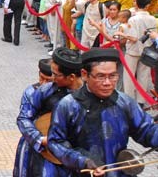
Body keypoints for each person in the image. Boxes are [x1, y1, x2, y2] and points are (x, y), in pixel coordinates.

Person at [47, 48, 158, 176]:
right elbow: (55, 142)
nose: (107, 83)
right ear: (84, 74)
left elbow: (146, 129)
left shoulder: (125, 102)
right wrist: (83, 161)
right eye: (100, 76)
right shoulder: (68, 105)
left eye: (113, 76)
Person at [13, 48, 83, 176]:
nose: (53, 78)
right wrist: (39, 139)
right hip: (44, 155)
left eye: (56, 75)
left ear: (72, 77)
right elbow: (23, 118)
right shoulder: (45, 91)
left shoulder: (88, 96)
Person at [12, 58, 53, 177]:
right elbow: (23, 119)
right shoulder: (30, 92)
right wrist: (39, 139)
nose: (44, 83)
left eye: (48, 80)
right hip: (32, 140)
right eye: (41, 78)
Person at [117, 0, 156, 105]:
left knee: (129, 76)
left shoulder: (133, 19)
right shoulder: (152, 19)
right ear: (147, 5)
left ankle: (129, 99)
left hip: (133, 51)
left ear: (137, 4)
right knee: (143, 76)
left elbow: (133, 38)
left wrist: (121, 34)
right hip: (147, 51)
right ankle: (141, 101)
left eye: (134, 1)